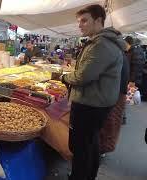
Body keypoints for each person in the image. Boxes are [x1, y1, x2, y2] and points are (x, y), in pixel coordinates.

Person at [60, 4, 125, 180]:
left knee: (81, 146)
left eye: (84, 20)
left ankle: (80, 176)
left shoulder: (101, 44)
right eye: (79, 21)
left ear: (98, 20)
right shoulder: (101, 42)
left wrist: (64, 78)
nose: (80, 25)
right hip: (97, 102)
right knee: (91, 143)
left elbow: (82, 76)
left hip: (90, 103)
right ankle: (87, 175)